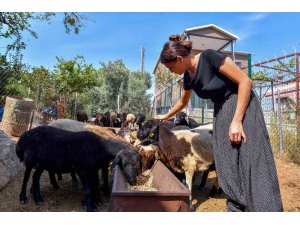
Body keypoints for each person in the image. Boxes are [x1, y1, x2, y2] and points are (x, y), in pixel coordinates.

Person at [154, 34, 283, 212]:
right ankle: (237, 206)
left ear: (179, 58)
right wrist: (165, 116)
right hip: (220, 112)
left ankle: (265, 208)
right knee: (224, 162)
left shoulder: (209, 57)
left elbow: (245, 81)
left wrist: (237, 120)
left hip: (241, 106)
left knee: (252, 159)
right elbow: (182, 102)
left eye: (170, 67)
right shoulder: (188, 76)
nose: (171, 71)